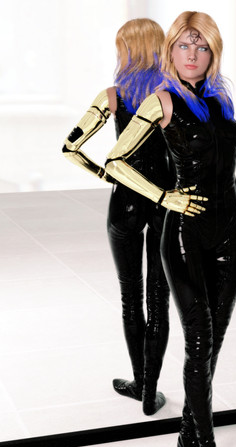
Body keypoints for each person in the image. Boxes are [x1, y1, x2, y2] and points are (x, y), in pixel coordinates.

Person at [104, 11, 236, 447]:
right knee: (199, 343)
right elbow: (115, 160)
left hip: (228, 233)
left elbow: (228, 174)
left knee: (216, 342)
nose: (193, 54)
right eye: (184, 45)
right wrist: (164, 197)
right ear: (170, 51)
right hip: (185, 235)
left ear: (213, 53)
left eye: (202, 46)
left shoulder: (220, 100)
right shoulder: (161, 100)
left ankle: (190, 433)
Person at [62, 19, 182, 415]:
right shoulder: (173, 96)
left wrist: (104, 173)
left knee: (131, 298)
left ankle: (140, 384)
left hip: (125, 201)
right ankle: (151, 394)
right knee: (159, 300)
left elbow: (70, 147)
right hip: (164, 201)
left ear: (126, 50)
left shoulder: (112, 97)